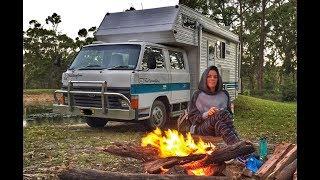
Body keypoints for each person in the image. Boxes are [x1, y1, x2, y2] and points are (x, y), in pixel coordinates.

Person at [188, 66, 245, 162]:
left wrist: (221, 113)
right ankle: (241, 151)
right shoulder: (197, 95)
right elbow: (192, 118)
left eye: (215, 77)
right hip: (202, 128)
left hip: (219, 128)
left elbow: (230, 116)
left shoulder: (224, 94)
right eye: (209, 76)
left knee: (220, 122)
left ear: (218, 79)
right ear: (204, 78)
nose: (212, 79)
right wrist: (207, 114)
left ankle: (239, 154)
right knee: (221, 114)